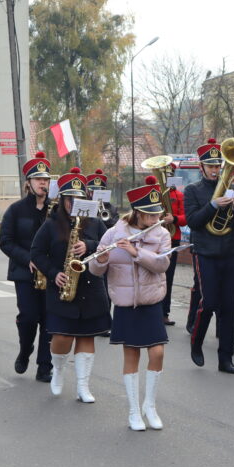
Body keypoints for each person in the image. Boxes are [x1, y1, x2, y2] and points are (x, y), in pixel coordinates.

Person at [89, 176, 171, 431]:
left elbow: (162, 264)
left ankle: (150, 405)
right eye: (150, 215)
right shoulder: (114, 233)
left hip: (151, 300)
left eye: (158, 214)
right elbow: (95, 269)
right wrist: (100, 259)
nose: (155, 219)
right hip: (125, 303)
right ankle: (134, 411)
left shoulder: (162, 234)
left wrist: (137, 253)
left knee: (157, 352)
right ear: (137, 212)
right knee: (132, 354)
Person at [30, 168, 110, 402]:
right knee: (62, 338)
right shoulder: (51, 224)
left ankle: (83, 387)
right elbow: (36, 252)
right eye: (69, 199)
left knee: (87, 338)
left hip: (91, 288)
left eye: (78, 198)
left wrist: (90, 246)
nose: (73, 203)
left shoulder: (94, 222)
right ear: (62, 199)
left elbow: (107, 244)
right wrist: (54, 274)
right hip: (62, 287)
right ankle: (58, 372)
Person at [184, 138, 234, 374]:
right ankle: (196, 342)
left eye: (217, 165)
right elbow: (193, 222)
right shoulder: (193, 191)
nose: (214, 169)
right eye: (210, 166)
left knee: (230, 306)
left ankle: (225, 359)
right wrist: (212, 206)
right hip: (205, 252)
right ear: (201, 167)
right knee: (208, 303)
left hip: (229, 252)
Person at [0, 152, 53, 381]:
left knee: (50, 320)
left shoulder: (57, 209)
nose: (44, 183)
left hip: (51, 273)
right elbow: (5, 242)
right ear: (28, 183)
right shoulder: (16, 209)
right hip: (25, 272)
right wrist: (27, 258)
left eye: (47, 180)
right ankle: (25, 350)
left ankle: (45, 366)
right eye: (39, 179)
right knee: (29, 317)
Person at [160, 162, 186, 327]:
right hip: (155, 238)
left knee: (168, 278)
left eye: (170, 174)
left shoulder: (179, 195)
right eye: (165, 174)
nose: (168, 177)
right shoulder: (155, 193)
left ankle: (164, 313)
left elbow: (186, 218)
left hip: (172, 238)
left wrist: (174, 219)